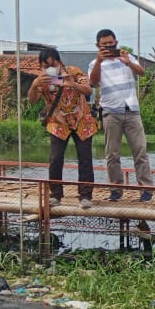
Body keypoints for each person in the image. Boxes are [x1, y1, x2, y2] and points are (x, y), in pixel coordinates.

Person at [87, 29, 154, 202]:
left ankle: (146, 190)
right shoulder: (95, 63)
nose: (109, 47)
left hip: (131, 109)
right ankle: (115, 190)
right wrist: (99, 61)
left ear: (116, 41)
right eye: (105, 45)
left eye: (111, 43)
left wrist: (127, 62)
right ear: (98, 46)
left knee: (140, 151)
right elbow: (92, 82)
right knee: (112, 154)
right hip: (110, 111)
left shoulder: (127, 57)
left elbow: (141, 72)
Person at [28, 48, 97, 208]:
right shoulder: (42, 80)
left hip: (82, 121)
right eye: (46, 66)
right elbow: (32, 100)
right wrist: (34, 85)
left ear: (60, 62)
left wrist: (72, 84)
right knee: (55, 158)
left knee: (85, 158)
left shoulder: (73, 72)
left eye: (54, 64)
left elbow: (88, 90)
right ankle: (56, 195)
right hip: (58, 123)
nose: (50, 68)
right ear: (40, 66)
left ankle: (85, 196)